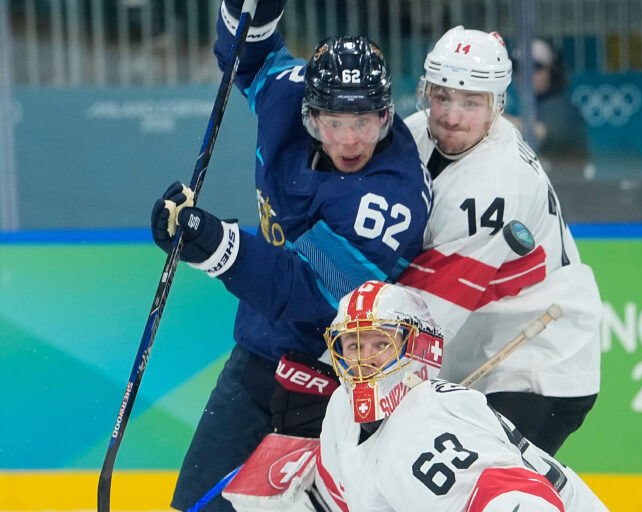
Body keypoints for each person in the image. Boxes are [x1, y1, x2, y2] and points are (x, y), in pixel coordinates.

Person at [149, 1, 432, 510]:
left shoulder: (391, 201)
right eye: (334, 122)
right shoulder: (286, 96)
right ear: (309, 112)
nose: (349, 140)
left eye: (365, 122)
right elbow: (249, 57)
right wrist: (251, 10)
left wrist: (215, 245)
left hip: (342, 385)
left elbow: (312, 293)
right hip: (258, 358)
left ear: (386, 116)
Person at [398, 26, 602, 456]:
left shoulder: (494, 184)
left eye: (470, 102)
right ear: (425, 92)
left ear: (497, 105)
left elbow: (426, 317)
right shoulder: (413, 133)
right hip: (485, 351)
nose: (451, 116)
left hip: (537, 364)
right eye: (442, 96)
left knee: (472, 491)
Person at [316, 280, 609, 511]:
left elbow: (516, 498)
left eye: (381, 344)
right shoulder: (341, 412)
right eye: (354, 345)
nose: (365, 360)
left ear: (417, 349)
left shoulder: (428, 422)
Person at [507, 37, 591, 181]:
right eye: (517, 67)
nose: (524, 74)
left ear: (553, 71)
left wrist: (492, 120)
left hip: (568, 193)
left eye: (535, 67)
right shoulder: (533, 106)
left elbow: (539, 133)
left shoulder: (561, 107)